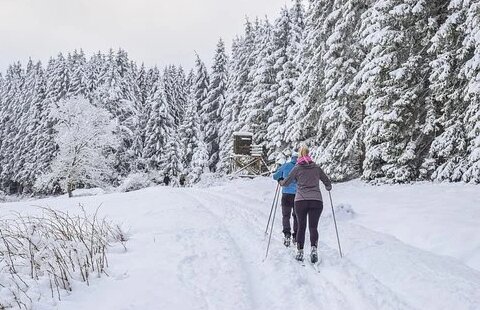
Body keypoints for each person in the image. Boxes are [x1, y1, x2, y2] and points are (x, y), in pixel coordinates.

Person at [280, 145, 332, 263]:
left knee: (301, 227)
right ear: (309, 154)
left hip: (301, 201)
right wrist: (328, 187)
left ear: (299, 155)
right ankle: (313, 249)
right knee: (313, 227)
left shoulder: (297, 168)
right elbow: (327, 181)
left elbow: (287, 182)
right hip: (316, 201)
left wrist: (280, 182)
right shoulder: (316, 168)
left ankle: (300, 251)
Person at [272, 150, 298, 247]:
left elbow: (275, 176)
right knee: (297, 216)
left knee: (286, 215)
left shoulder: (286, 165)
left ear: (292, 158)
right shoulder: (302, 167)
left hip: (286, 194)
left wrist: (280, 179)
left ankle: (287, 234)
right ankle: (296, 236)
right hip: (298, 195)